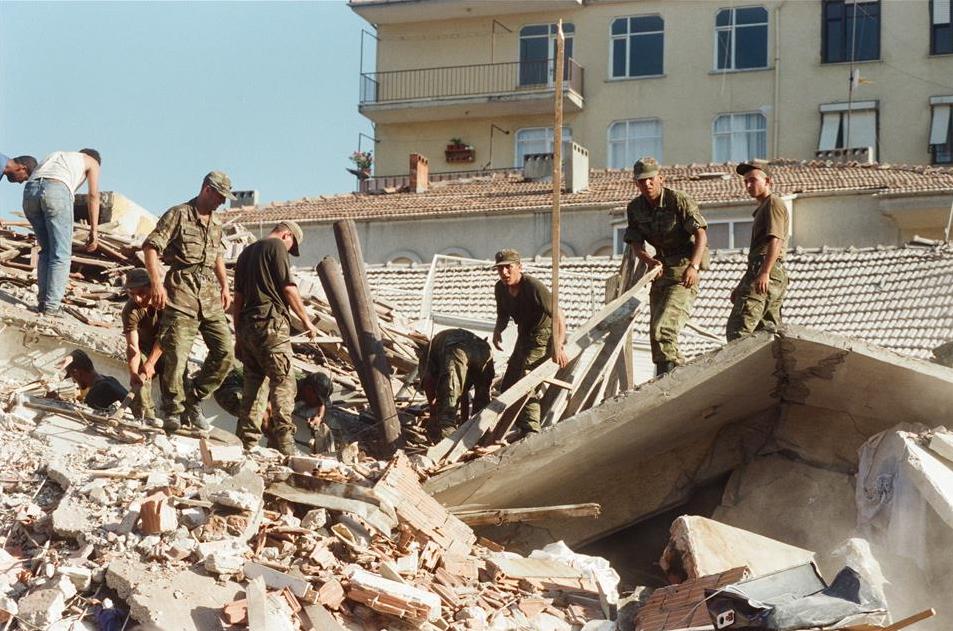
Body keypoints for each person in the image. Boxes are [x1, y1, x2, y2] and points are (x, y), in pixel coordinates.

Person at [142, 172, 236, 433]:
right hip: (181, 291)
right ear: (207, 189)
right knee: (176, 355)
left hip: (208, 295)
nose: (222, 202)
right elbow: (150, 246)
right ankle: (173, 410)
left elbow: (216, 254)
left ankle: (194, 400)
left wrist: (225, 285)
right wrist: (157, 283)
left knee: (225, 353)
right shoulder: (179, 214)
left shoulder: (216, 224)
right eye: (219, 196)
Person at [232, 221, 318, 454]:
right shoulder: (277, 247)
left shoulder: (246, 253)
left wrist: (238, 335)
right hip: (270, 324)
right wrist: (307, 321)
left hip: (248, 327)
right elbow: (288, 287)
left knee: (254, 387)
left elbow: (237, 298)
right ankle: (286, 444)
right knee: (283, 382)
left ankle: (246, 444)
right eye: (292, 245)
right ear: (287, 234)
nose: (290, 250)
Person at [623, 157, 709, 375]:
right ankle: (675, 374)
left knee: (664, 329)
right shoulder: (635, 208)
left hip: (683, 268)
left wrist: (694, 267)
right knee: (655, 333)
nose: (647, 185)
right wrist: (648, 260)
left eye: (651, 180)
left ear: (661, 178)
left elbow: (701, 234)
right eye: (642, 181)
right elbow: (635, 242)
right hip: (660, 269)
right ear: (636, 184)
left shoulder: (678, 200)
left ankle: (667, 383)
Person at [492, 249, 569, 437]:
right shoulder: (500, 288)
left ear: (519, 267)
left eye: (508, 268)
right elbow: (502, 313)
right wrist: (498, 330)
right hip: (524, 334)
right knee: (508, 383)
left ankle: (531, 430)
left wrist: (558, 346)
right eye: (500, 269)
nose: (504, 273)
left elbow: (559, 315)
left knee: (527, 381)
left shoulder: (533, 286)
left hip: (543, 335)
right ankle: (516, 426)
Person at [22, 149, 102, 316]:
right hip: (56, 191)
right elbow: (93, 195)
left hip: (30, 192)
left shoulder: (58, 155)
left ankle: (43, 303)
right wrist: (94, 230)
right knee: (61, 253)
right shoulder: (92, 162)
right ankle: (52, 307)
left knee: (47, 251)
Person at [726, 160, 790, 340]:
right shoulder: (763, 207)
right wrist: (741, 286)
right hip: (763, 269)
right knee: (767, 332)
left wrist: (765, 273)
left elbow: (775, 240)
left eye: (753, 180)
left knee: (738, 331)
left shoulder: (773, 203)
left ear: (768, 181)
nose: (748, 185)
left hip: (766, 268)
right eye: (745, 181)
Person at [416, 328, 494, 439]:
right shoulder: (438, 349)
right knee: (482, 400)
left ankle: (446, 440)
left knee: (447, 408)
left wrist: (433, 414)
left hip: (455, 346)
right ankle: (480, 435)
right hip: (483, 349)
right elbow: (463, 393)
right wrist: (464, 423)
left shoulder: (428, 355)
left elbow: (429, 381)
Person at [121, 268, 164, 426]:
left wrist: (151, 362)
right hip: (145, 346)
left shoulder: (167, 302)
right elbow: (133, 347)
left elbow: (165, 337)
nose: (137, 299)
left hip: (169, 346)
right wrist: (133, 373)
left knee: (175, 373)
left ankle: (177, 415)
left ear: (153, 287)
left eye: (141, 292)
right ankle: (146, 416)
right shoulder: (130, 310)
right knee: (140, 369)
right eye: (132, 294)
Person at [62, 349, 128, 410]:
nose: (74, 381)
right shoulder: (110, 379)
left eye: (72, 376)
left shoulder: (97, 392)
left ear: (76, 373)